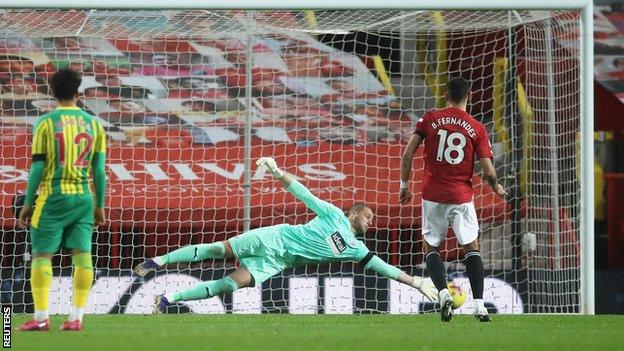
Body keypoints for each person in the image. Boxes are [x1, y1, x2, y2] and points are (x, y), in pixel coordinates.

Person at [134, 157, 438, 312]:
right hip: (274, 238)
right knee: (215, 250)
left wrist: (417, 282)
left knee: (227, 285)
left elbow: (383, 267)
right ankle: (157, 261)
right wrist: (278, 173)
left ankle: (167, 298)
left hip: (276, 262)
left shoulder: (356, 249)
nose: (371, 221)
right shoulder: (333, 213)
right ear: (354, 213)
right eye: (368, 215)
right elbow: (304, 194)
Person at [399, 77, 506, 323]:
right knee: (471, 248)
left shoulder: (430, 118)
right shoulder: (477, 127)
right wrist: (495, 186)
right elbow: (489, 171)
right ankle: (480, 306)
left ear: (445, 94)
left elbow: (407, 155)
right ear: (469, 95)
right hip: (461, 196)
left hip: (432, 194)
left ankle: (444, 293)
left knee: (431, 247)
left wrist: (404, 186)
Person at [16, 68, 108, 331]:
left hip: (53, 196)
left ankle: (42, 317)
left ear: (52, 91)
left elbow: (37, 168)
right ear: (78, 92)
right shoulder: (94, 125)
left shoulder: (46, 123)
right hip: (83, 197)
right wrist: (99, 205)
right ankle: (76, 318)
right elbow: (99, 170)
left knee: (42, 256)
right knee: (82, 256)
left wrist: (27, 202)